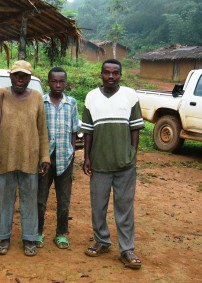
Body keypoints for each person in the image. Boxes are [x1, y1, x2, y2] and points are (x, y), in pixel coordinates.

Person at [81, 59, 144, 269]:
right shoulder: (91, 97)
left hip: (125, 164)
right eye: (107, 72)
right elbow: (88, 132)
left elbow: (135, 128)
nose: (111, 76)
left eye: (115, 73)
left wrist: (132, 153)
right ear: (100, 74)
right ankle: (102, 241)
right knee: (98, 207)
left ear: (120, 74)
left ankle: (127, 250)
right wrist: (87, 157)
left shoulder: (130, 95)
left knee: (124, 207)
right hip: (99, 164)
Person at [0, 60, 50, 257]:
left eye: (24, 76)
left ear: (30, 78)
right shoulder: (0, 96)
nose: (20, 79)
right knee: (4, 200)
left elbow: (42, 131)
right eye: (16, 75)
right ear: (10, 76)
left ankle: (29, 238)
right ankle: (4, 237)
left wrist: (45, 156)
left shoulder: (37, 97)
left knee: (29, 200)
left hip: (29, 159)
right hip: (4, 158)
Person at [36, 67, 79, 249]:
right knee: (40, 199)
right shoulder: (41, 102)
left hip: (65, 159)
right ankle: (37, 232)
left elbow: (74, 131)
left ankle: (61, 233)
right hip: (44, 159)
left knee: (63, 200)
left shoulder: (71, 103)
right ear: (48, 82)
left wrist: (71, 152)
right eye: (54, 81)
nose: (58, 85)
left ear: (66, 83)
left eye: (62, 81)